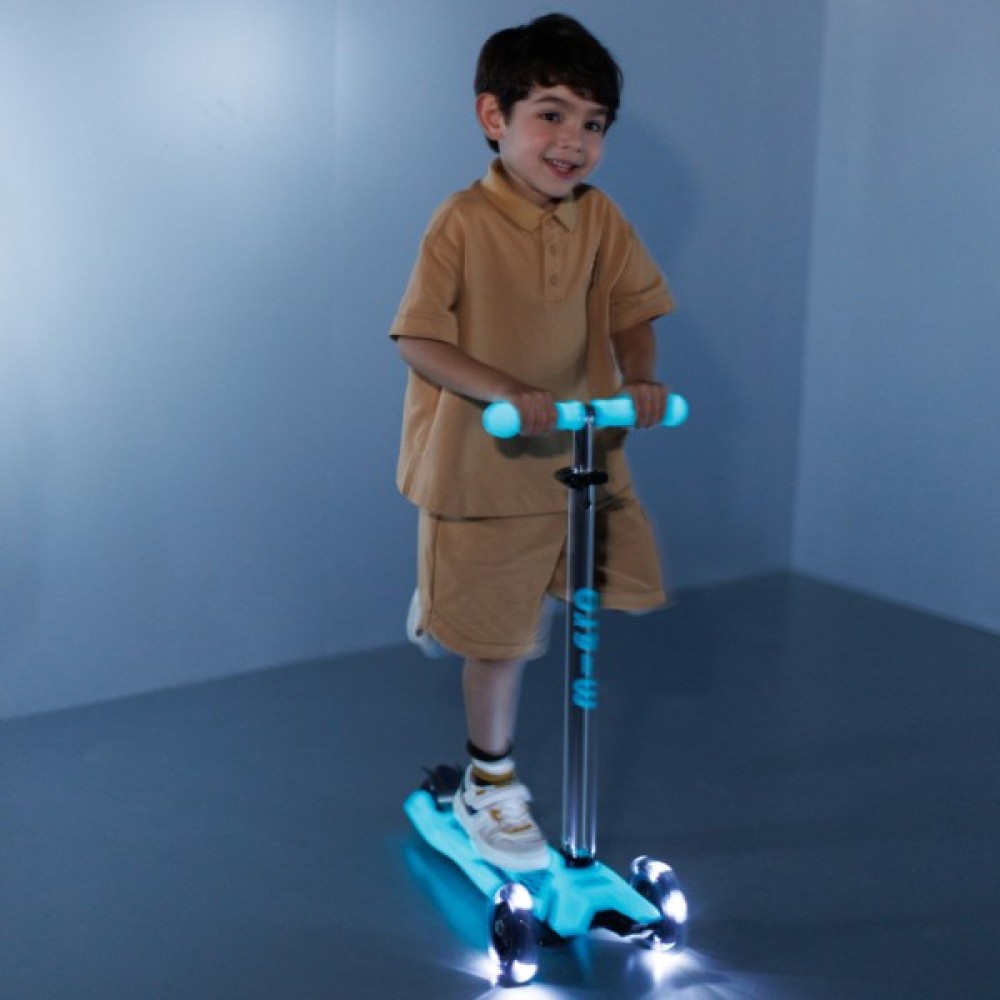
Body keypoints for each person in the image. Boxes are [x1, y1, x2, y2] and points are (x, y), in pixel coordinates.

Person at [391, 13, 675, 871]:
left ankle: (460, 597)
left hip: (579, 462)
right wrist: (506, 391)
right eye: (551, 114)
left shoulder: (601, 219)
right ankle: (488, 781)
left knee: (585, 603)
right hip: (484, 467)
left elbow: (633, 311)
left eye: (593, 123)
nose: (573, 141)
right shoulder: (462, 221)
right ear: (495, 117)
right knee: (501, 638)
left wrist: (640, 379)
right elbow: (419, 338)